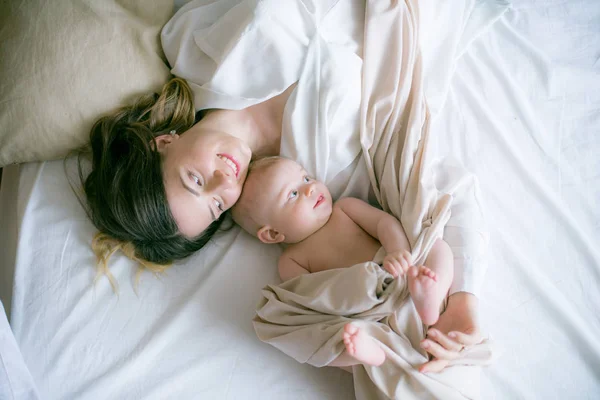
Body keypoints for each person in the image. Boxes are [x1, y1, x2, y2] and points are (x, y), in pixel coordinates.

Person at [79, 0, 486, 374]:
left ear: (164, 142)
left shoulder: (191, 45)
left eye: (195, 179)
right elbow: (439, 188)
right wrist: (464, 298)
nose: (225, 180)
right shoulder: (324, 180)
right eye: (218, 204)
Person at [232, 156, 454, 370]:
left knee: (437, 247)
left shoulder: (345, 208)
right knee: (318, 337)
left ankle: (432, 301)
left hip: (403, 276)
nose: (310, 188)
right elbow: (315, 304)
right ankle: (364, 355)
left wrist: (397, 251)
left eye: (306, 178)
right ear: (272, 234)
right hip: (366, 311)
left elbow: (383, 223)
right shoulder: (290, 261)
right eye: (292, 194)